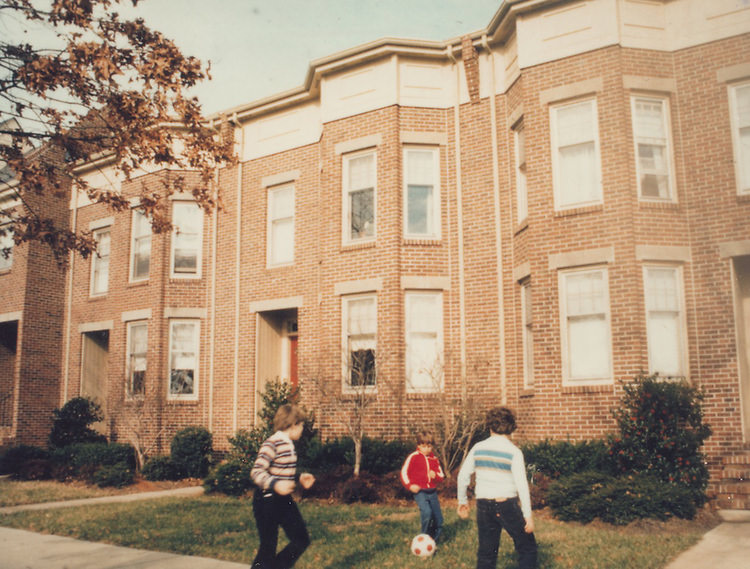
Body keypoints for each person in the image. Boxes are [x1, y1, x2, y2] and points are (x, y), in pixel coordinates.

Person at [456, 406, 537, 569]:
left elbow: (462, 476)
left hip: (483, 505)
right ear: (512, 427)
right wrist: (527, 515)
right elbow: (522, 486)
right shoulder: (514, 452)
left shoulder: (478, 448)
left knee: (487, 552)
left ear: (489, 426)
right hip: (506, 504)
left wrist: (462, 501)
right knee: (527, 548)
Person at [250, 404, 315, 569]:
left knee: (301, 539)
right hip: (266, 501)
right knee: (268, 547)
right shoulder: (272, 443)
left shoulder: (288, 444)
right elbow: (257, 471)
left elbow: (281, 470)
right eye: (301, 425)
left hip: (282, 500)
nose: (302, 429)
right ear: (292, 425)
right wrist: (275, 484)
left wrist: (300, 477)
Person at [400, 429, 445, 543]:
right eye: (424, 446)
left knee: (438, 519)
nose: (427, 449)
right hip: (420, 492)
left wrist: (435, 476)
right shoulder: (414, 457)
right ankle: (423, 537)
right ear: (418, 446)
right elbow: (404, 472)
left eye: (429, 446)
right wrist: (410, 485)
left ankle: (434, 540)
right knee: (427, 513)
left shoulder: (434, 459)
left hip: (432, 492)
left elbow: (441, 475)